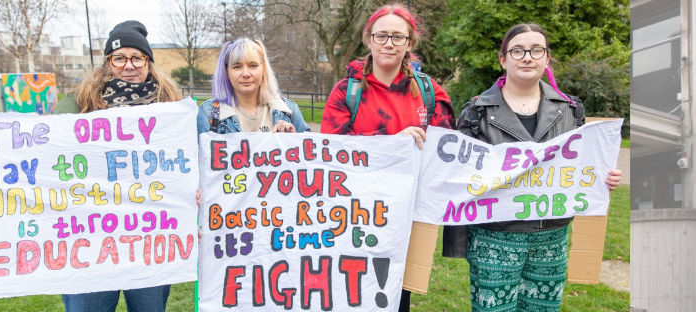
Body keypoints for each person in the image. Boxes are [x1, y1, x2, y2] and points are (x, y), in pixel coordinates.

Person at [443, 23, 623, 312]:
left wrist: (604, 177)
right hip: (495, 237)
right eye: (518, 51)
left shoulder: (571, 110)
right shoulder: (476, 112)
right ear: (503, 59)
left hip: (552, 236)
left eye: (536, 50)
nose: (527, 57)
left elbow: (580, 166)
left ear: (547, 58)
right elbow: (456, 177)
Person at [319, 4, 456, 311]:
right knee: (350, 291)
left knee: (396, 296)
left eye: (398, 37)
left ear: (410, 43)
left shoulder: (429, 92)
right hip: (353, 213)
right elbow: (330, 151)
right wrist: (392, 144)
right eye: (382, 36)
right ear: (368, 39)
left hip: (408, 214)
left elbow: (447, 150)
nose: (389, 44)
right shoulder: (346, 92)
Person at [53, 20, 180, 312]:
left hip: (151, 236)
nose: (129, 65)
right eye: (119, 58)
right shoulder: (76, 105)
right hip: (88, 237)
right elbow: (41, 159)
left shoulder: (171, 107)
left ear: (149, 63)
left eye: (137, 57)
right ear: (108, 63)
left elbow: (189, 162)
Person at [196, 38, 310, 137]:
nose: (246, 73)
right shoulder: (209, 114)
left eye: (253, 66)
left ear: (263, 69)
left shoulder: (289, 111)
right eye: (237, 67)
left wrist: (294, 141)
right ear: (227, 72)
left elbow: (310, 158)